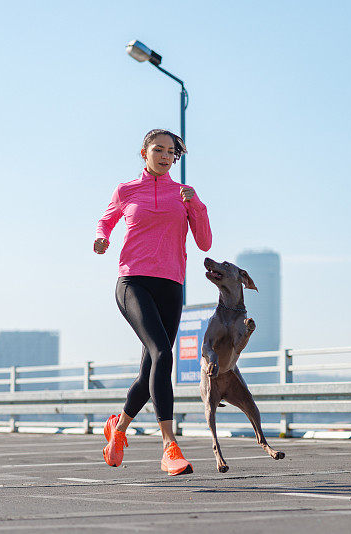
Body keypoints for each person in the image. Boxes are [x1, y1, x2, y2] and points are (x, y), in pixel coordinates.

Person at [94, 128, 212, 476]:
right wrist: (102, 238)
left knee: (150, 370)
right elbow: (106, 220)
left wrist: (197, 205)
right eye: (157, 149)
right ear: (144, 153)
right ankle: (168, 446)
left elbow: (204, 243)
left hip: (171, 286)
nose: (164, 155)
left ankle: (117, 430)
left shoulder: (184, 195)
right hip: (133, 282)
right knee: (163, 353)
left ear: (176, 158)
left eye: (170, 152)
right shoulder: (126, 190)